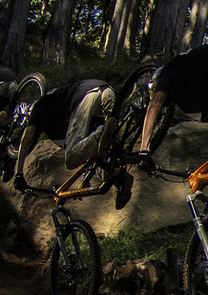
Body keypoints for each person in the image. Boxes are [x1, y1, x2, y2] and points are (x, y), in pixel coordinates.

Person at [17, 77, 131, 207]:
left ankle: (101, 132)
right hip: (108, 92)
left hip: (87, 96)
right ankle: (121, 176)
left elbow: (26, 137)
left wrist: (18, 174)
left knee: (71, 159)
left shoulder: (39, 105)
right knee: (104, 156)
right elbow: (85, 149)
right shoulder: (57, 107)